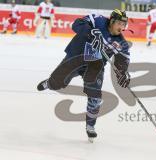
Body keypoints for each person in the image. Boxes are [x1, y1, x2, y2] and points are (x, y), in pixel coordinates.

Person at [37, 9, 131, 142]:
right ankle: (50, 83)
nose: (122, 27)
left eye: (124, 24)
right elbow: (76, 24)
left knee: (95, 97)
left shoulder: (121, 43)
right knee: (58, 83)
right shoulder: (98, 20)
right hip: (76, 57)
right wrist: (91, 31)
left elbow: (123, 62)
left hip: (95, 67)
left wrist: (123, 74)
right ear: (112, 21)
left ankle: (90, 126)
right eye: (120, 24)